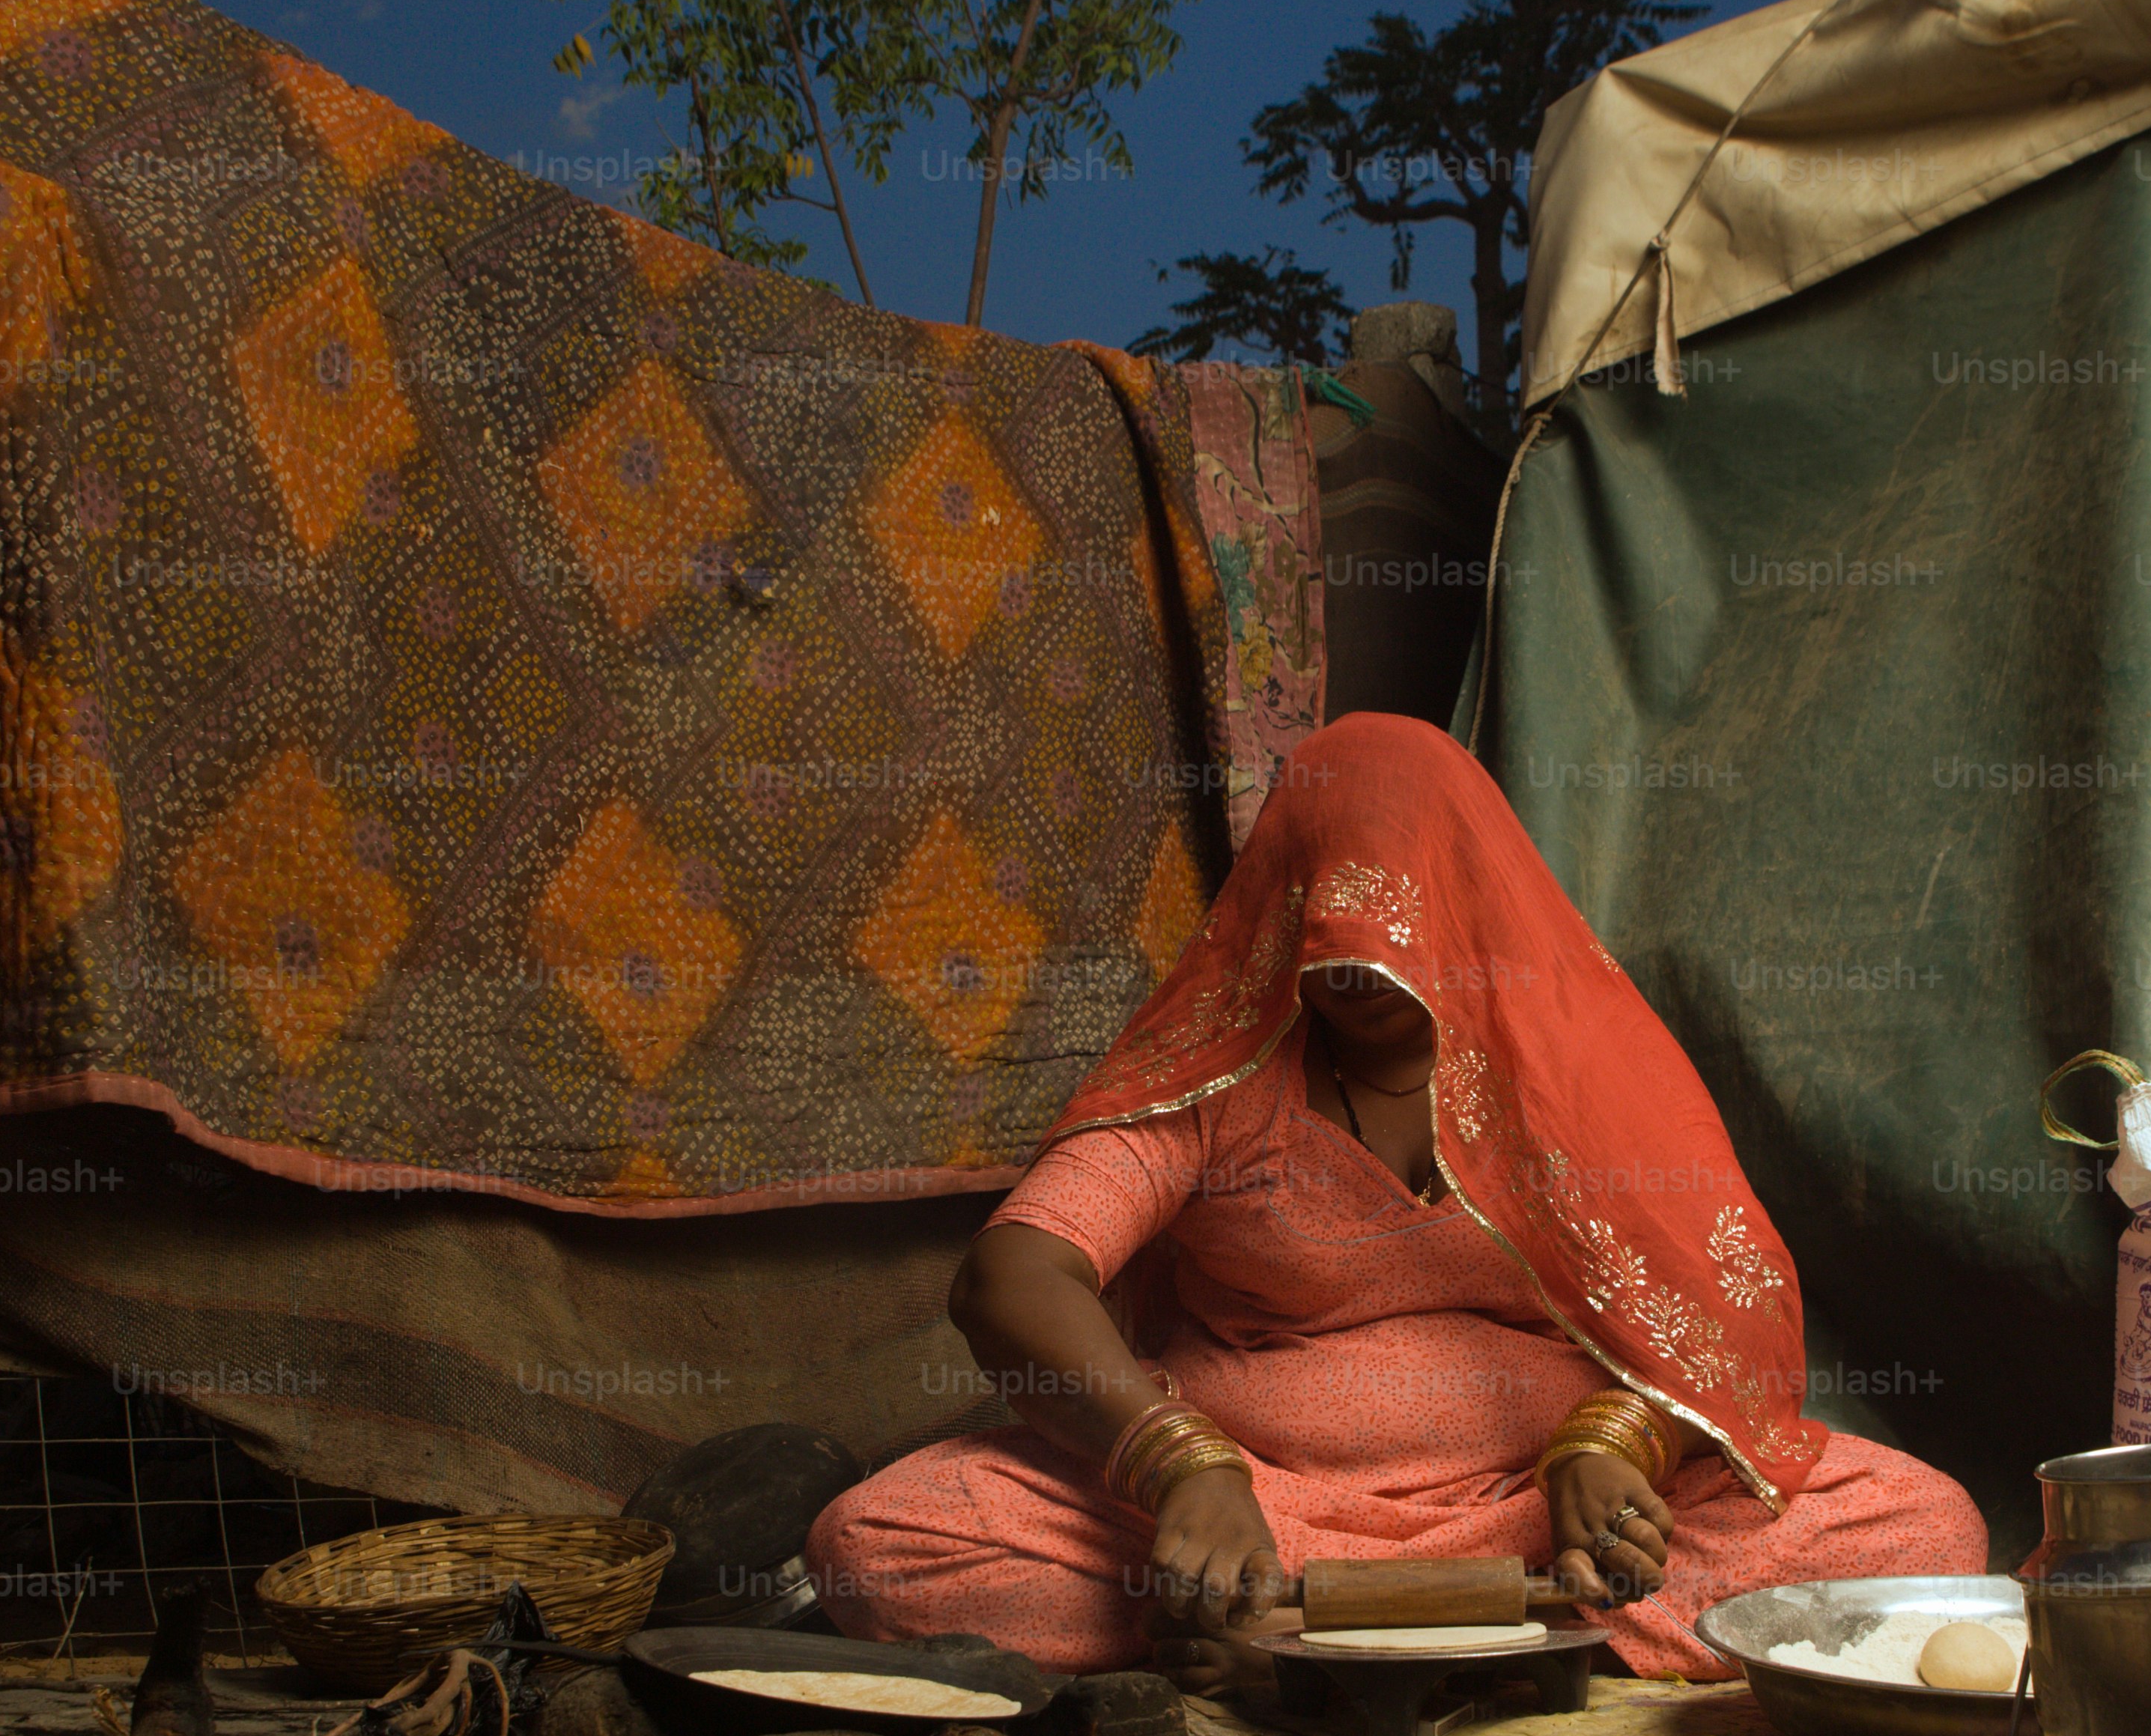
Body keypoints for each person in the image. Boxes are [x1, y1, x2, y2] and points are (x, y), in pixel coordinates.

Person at [807, 713, 1988, 1681]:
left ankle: (1293, 1645)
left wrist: (1619, 1440)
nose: (1364, 977)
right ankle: (1502, 1647)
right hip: (1264, 1510)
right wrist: (1181, 1467)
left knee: (1919, 1528)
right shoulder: (1223, 1074)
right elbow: (1010, 1274)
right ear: (1285, 910)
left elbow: (1718, 1318)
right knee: (880, 1545)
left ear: (1464, 902)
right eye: (1336, 949)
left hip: (1539, 1515)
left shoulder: (1569, 1061)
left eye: (1395, 944)